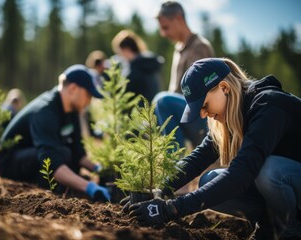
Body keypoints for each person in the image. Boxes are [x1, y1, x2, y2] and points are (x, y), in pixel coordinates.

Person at [128, 58, 301, 240]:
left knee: (269, 170)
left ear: (224, 88)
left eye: (204, 105)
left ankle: (287, 231)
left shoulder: (269, 106)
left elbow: (240, 174)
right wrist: (159, 190)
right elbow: (196, 159)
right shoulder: (232, 116)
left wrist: (172, 208)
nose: (203, 114)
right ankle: (270, 226)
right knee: (209, 180)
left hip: (287, 177)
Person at [0, 65, 110, 202]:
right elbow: (51, 162)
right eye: (88, 95)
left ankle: (62, 184)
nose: (89, 101)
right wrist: (89, 187)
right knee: (63, 154)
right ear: (73, 89)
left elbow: (78, 153)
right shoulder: (45, 111)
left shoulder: (73, 110)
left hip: (37, 155)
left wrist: (100, 169)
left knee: (69, 155)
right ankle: (46, 188)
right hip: (10, 161)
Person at [153, 1, 215, 150]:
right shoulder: (178, 49)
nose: (164, 34)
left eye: (166, 27)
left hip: (203, 117)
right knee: (155, 110)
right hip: (185, 114)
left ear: (179, 18)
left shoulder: (199, 47)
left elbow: (199, 93)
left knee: (162, 101)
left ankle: (175, 164)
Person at [112, 29, 163, 104]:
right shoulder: (149, 62)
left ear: (126, 49)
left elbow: (123, 93)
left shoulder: (135, 68)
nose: (121, 56)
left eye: (120, 52)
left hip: (140, 111)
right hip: (155, 107)